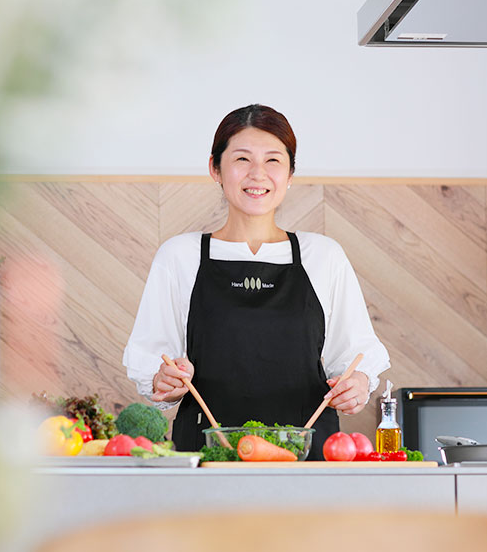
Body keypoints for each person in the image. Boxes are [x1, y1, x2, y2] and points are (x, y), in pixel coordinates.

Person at [122, 104, 390, 460]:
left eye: (273, 160)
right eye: (242, 159)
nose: (257, 174)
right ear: (215, 168)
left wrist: (357, 384)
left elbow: (356, 356)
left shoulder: (324, 256)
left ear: (290, 173)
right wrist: (165, 381)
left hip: (306, 458)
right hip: (208, 458)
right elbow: (154, 363)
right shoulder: (179, 256)